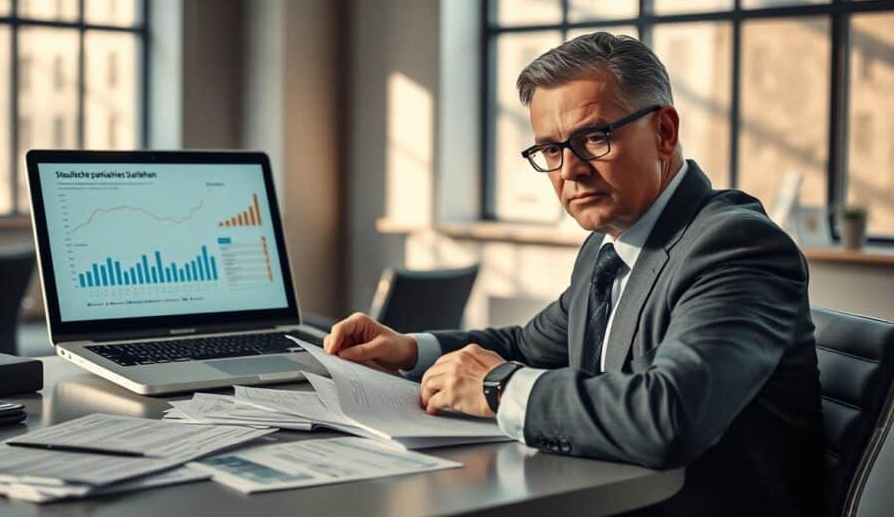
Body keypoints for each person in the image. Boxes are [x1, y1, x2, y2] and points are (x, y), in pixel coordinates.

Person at [325, 32, 824, 516]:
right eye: (551, 149)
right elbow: (528, 345)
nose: (570, 170)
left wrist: (498, 388)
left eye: (594, 137)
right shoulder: (608, 247)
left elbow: (671, 415)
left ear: (665, 133)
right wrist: (411, 349)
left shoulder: (736, 245)